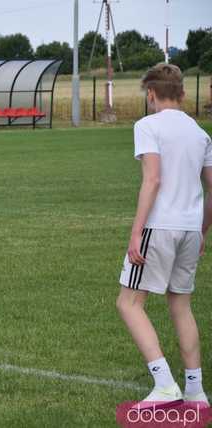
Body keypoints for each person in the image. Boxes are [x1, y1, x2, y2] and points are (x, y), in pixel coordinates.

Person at [116, 63, 211, 407]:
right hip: (189, 229)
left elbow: (152, 179)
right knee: (181, 305)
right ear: (183, 94)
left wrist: (136, 232)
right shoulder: (201, 133)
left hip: (159, 227)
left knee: (128, 303)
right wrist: (201, 231)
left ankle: (165, 384)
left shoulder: (147, 125)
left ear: (150, 94)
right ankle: (196, 393)